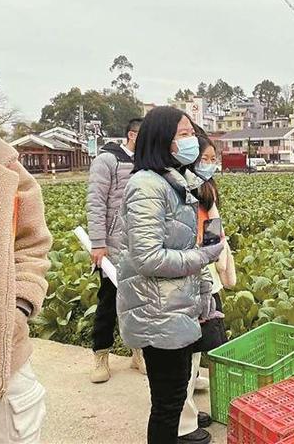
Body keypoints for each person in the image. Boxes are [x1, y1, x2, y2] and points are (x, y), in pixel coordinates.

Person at [117, 106, 224, 444]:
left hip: (175, 307)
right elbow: (148, 258)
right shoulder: (147, 185)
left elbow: (182, 241)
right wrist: (203, 256)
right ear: (161, 140)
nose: (191, 139)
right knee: (166, 405)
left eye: (191, 132)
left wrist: (204, 287)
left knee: (175, 398)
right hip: (156, 311)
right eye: (183, 134)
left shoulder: (175, 181)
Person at [0, 49, 52, 443]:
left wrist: (18, 306)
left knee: (17, 432)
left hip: (5, 350)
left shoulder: (8, 168)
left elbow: (33, 246)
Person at [178, 136, 236, 444]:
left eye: (214, 157)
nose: (210, 162)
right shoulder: (182, 189)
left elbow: (213, 234)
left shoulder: (205, 188)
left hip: (204, 278)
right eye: (205, 157)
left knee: (197, 352)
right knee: (186, 357)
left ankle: (186, 409)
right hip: (190, 279)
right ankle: (182, 423)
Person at [87, 117, 145, 383]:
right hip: (112, 247)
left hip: (141, 247)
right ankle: (101, 357)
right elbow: (96, 203)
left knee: (140, 304)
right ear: (132, 135)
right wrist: (98, 243)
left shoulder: (146, 162)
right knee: (108, 303)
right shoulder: (107, 160)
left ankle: (138, 354)